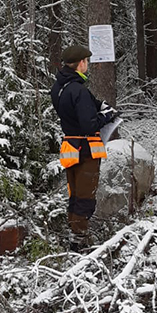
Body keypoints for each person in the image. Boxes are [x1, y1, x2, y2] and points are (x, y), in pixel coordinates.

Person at [50, 44, 118, 251]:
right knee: (85, 195)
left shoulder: (59, 87)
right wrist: (107, 115)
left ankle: (74, 234)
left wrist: (95, 105)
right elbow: (89, 125)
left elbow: (75, 109)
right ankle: (80, 241)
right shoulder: (78, 89)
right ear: (81, 63)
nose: (87, 64)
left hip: (70, 146)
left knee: (75, 192)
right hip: (86, 150)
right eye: (86, 61)